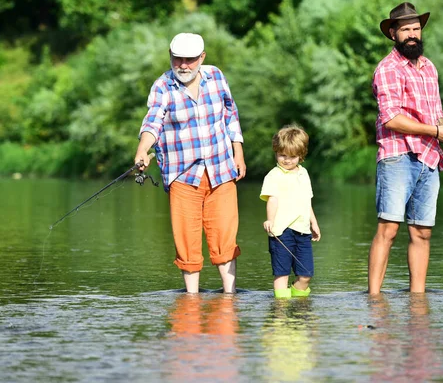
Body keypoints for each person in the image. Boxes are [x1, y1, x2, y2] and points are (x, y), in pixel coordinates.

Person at [134, 32, 246, 294]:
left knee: (225, 237)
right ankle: (191, 300)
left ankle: (229, 297)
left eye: (190, 59)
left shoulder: (216, 76)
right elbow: (153, 122)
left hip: (221, 170)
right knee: (187, 240)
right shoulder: (162, 86)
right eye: (178, 59)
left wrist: (237, 152)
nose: (183, 65)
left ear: (202, 58)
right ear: (171, 57)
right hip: (183, 176)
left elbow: (231, 115)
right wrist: (142, 150)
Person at [368, 2, 443, 294]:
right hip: (397, 156)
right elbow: (392, 119)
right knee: (389, 230)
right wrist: (436, 130)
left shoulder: (429, 67)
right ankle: (373, 298)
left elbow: (437, 112)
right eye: (406, 29)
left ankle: (418, 299)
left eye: (416, 29)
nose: (412, 34)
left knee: (422, 232)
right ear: (393, 33)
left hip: (429, 158)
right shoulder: (387, 69)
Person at [260, 125, 321, 298]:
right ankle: (280, 311)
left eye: (292, 156)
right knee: (282, 273)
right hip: (281, 231)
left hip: (302, 231)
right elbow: (272, 199)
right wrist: (269, 220)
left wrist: (314, 222)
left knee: (306, 274)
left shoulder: (304, 174)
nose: (287, 160)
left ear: (301, 155)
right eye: (282, 155)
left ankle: (299, 307)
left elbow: (306, 200)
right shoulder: (274, 176)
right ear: (276, 152)